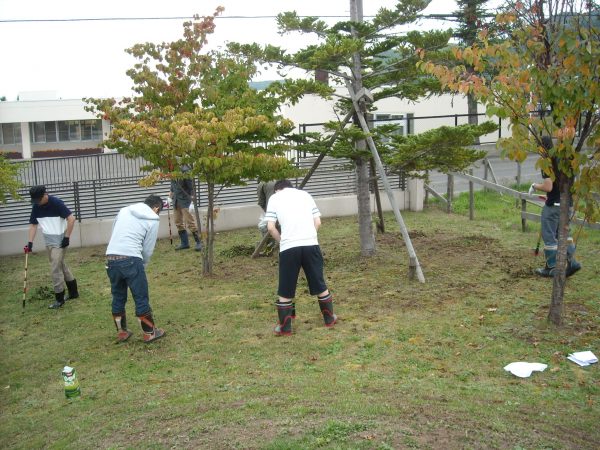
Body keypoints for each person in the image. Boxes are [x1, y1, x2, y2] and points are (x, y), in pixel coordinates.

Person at [265, 179, 336, 335]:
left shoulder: (275, 198)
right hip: (311, 244)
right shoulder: (305, 195)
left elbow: (270, 227)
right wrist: (309, 237)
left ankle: (285, 327)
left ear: (277, 190)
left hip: (289, 247)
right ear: (291, 187)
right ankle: (329, 318)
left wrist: (282, 240)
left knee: (286, 286)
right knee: (318, 281)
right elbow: (317, 222)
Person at [105, 195, 166, 343]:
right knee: (140, 296)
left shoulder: (124, 210)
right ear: (156, 208)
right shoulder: (153, 218)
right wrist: (142, 264)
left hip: (111, 257)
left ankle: (122, 332)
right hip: (131, 258)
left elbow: (114, 231)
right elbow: (148, 248)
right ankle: (149, 333)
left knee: (118, 295)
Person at [529, 136, 581, 278]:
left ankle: (551, 268)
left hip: (553, 207)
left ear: (541, 147)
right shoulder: (567, 160)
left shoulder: (547, 162)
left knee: (550, 237)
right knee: (564, 234)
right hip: (567, 203)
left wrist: (534, 186)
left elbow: (548, 186)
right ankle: (572, 262)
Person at [26, 185, 79, 309]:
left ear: (45, 195)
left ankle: (59, 299)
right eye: (35, 201)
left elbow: (71, 219)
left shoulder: (56, 203)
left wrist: (67, 237)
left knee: (55, 268)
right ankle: (74, 292)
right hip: (48, 241)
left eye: (38, 200)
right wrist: (30, 242)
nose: (37, 203)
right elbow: (33, 225)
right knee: (60, 264)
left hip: (60, 242)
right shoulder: (36, 206)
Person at [170, 168, 202, 251]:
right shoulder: (171, 172)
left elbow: (191, 188)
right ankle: (185, 243)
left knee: (190, 222)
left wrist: (191, 201)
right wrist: (169, 197)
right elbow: (172, 187)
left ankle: (199, 242)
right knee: (178, 222)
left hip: (185, 201)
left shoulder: (185, 172)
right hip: (176, 200)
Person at [257, 180, 277, 256]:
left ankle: (270, 249)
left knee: (263, 227)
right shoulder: (282, 181)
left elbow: (261, 202)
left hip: (273, 211)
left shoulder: (261, 184)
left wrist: (268, 214)